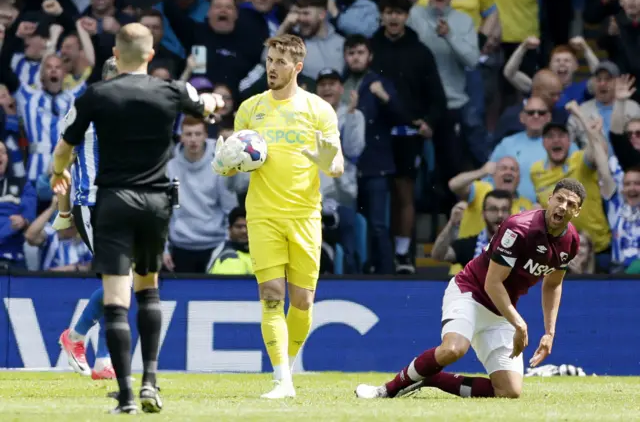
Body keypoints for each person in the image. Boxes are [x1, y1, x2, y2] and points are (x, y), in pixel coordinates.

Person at [50, 23, 223, 414]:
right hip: (155, 202)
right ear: (150, 55)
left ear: (116, 51)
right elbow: (207, 106)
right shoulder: (171, 91)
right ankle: (150, 383)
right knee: (148, 291)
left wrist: (59, 174)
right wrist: (212, 101)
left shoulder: (95, 96)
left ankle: (125, 396)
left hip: (112, 201)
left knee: (116, 298)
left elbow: (64, 150)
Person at [355, 178, 585, 400]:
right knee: (453, 350)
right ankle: (385, 390)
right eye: (560, 199)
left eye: (571, 204)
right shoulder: (519, 228)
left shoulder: (571, 241)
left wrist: (549, 333)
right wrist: (519, 323)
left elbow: (553, 284)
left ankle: (430, 378)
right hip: (471, 293)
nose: (563, 207)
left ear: (577, 212)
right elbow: (492, 283)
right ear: (549, 199)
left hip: (501, 310)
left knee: (509, 391)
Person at [213, 34, 343, 399]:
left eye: (280, 62)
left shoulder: (319, 109)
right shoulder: (251, 108)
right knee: (271, 296)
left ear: (297, 67)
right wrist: (224, 164)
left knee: (302, 302)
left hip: (304, 215)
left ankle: (286, 367)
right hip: (263, 215)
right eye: (270, 60)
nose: (272, 67)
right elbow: (235, 158)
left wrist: (326, 162)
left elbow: (338, 163)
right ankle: (281, 378)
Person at [56, 57, 119, 381]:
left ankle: (102, 359)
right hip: (91, 202)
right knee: (118, 278)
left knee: (120, 281)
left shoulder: (133, 113)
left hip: (122, 203)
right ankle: (79, 338)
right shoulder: (83, 109)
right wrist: (64, 211)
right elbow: (61, 161)